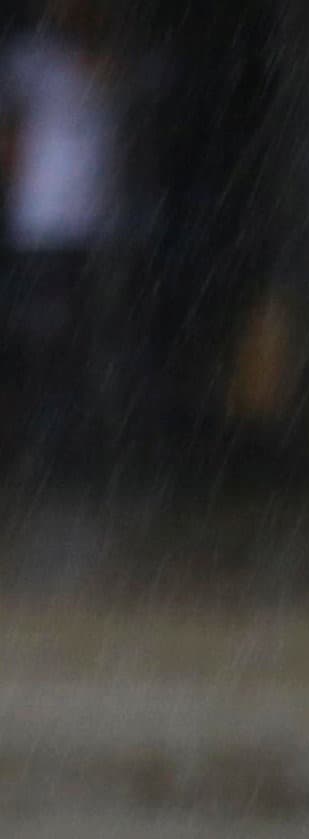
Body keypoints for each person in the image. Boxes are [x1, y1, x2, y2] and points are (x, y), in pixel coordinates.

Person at [2, 0, 120, 491]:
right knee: (48, 341)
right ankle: (47, 453)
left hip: (94, 224)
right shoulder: (27, 58)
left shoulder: (107, 57)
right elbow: (8, 137)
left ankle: (77, 453)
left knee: (84, 342)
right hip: (42, 225)